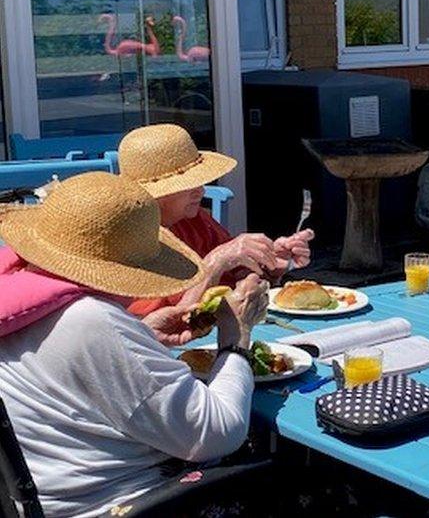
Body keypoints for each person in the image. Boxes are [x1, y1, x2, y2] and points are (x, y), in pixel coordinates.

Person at [0, 172, 268, 516]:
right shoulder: (90, 321)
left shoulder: (21, 302)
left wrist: (141, 331)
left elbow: (63, 367)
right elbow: (217, 432)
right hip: (128, 502)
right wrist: (237, 338)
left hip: (50, 495)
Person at [116, 123, 313, 318]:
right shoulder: (127, 242)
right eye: (188, 184)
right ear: (154, 195)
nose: (200, 190)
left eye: (200, 181)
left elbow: (235, 268)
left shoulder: (194, 219)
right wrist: (215, 262)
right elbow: (165, 324)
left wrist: (270, 264)